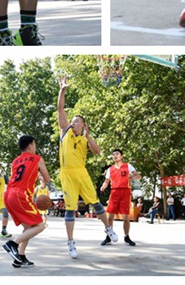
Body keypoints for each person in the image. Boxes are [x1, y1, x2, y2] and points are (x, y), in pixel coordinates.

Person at [57, 75, 112, 257]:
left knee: (96, 203)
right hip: (67, 174)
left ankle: (108, 228)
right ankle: (71, 243)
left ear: (83, 125)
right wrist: (62, 90)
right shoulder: (65, 132)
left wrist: (88, 137)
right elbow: (60, 109)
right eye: (72, 120)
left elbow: (97, 151)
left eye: (77, 121)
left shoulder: (84, 139)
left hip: (81, 173)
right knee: (70, 208)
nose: (73, 122)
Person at [2, 135, 51, 268]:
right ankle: (13, 244)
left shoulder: (15, 161)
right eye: (34, 145)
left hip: (8, 194)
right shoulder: (37, 159)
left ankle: (20, 256)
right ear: (30, 146)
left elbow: (21, 176)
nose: (35, 147)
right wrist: (41, 175)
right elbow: (47, 179)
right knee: (40, 225)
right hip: (20, 195)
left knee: (29, 227)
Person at [100, 149, 141, 246]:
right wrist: (103, 186)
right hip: (114, 192)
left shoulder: (128, 166)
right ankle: (109, 236)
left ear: (121, 156)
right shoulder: (110, 169)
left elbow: (138, 176)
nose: (115, 156)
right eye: (113, 154)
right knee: (110, 216)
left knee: (126, 217)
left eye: (117, 154)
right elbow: (106, 181)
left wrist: (131, 177)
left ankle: (126, 237)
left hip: (125, 192)